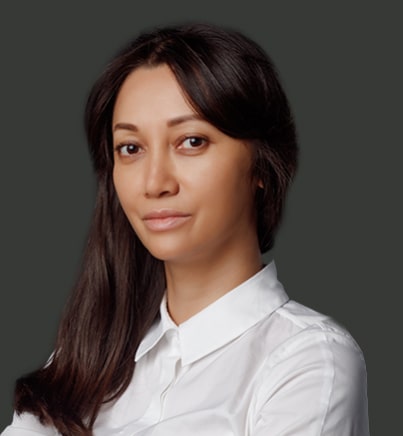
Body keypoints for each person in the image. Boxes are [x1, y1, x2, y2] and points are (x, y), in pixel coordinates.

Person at [1, 23, 369, 436]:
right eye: (131, 149)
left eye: (191, 141)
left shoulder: (308, 363)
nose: (155, 182)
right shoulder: (81, 365)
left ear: (262, 164)